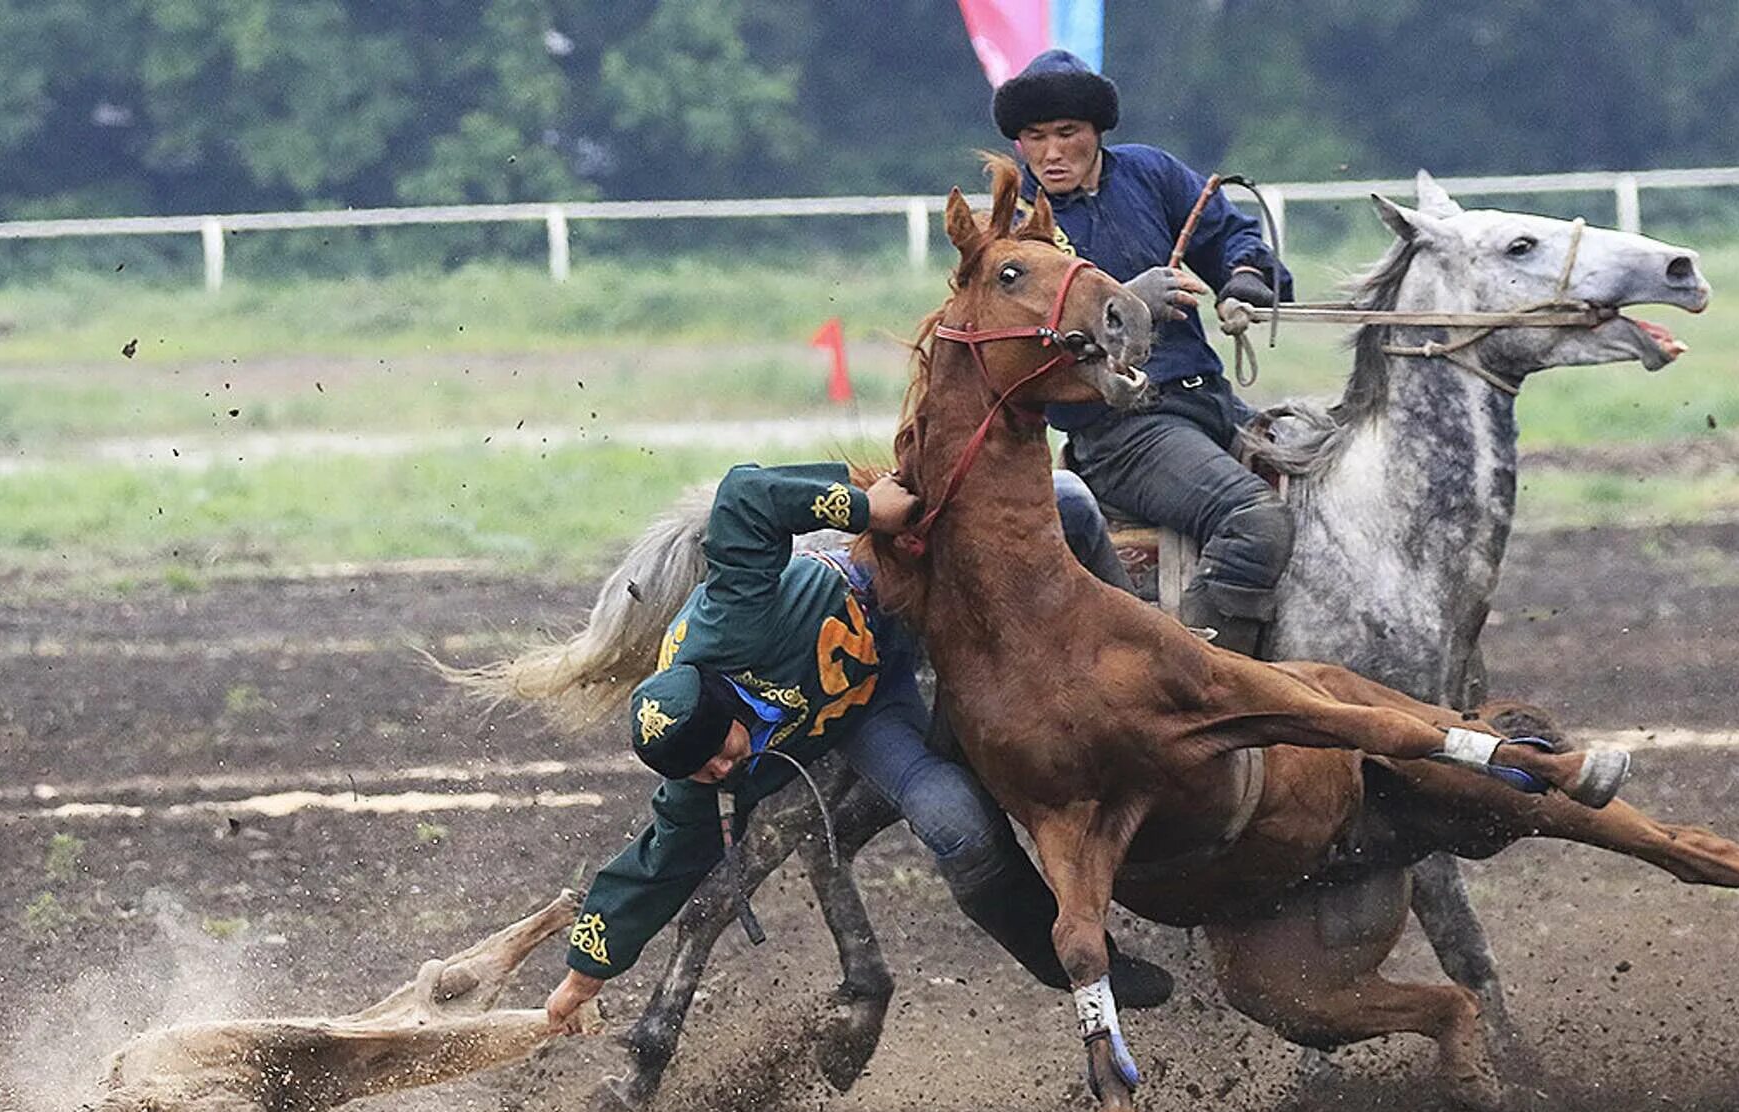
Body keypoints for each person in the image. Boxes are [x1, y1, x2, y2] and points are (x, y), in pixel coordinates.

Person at [544, 462, 1170, 1034]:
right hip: (871, 705)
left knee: (1071, 501)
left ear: (726, 697)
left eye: (717, 753)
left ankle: (1157, 648)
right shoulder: (704, 772)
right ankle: (1081, 966)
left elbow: (743, 498)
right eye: (700, 773)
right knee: (957, 826)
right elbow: (652, 866)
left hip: (892, 577)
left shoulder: (731, 620)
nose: (719, 772)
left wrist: (865, 509)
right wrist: (580, 979)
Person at [992, 49, 1297, 658]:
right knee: (1256, 521)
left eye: (1067, 133)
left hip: (1210, 402)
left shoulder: (1150, 173)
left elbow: (1230, 232)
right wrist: (1128, 302)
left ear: (1097, 133)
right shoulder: (1015, 222)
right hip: (1121, 430)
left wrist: (1244, 278)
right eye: (1035, 137)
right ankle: (1201, 676)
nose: (1051, 153)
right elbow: (1014, 348)